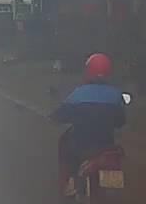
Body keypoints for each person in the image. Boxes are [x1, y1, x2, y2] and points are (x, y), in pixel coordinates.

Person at [50, 53, 126, 195]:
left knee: (65, 147)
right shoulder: (116, 95)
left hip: (80, 146)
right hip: (106, 146)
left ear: (88, 71)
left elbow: (60, 116)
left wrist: (54, 117)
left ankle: (69, 184)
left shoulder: (78, 94)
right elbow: (121, 121)